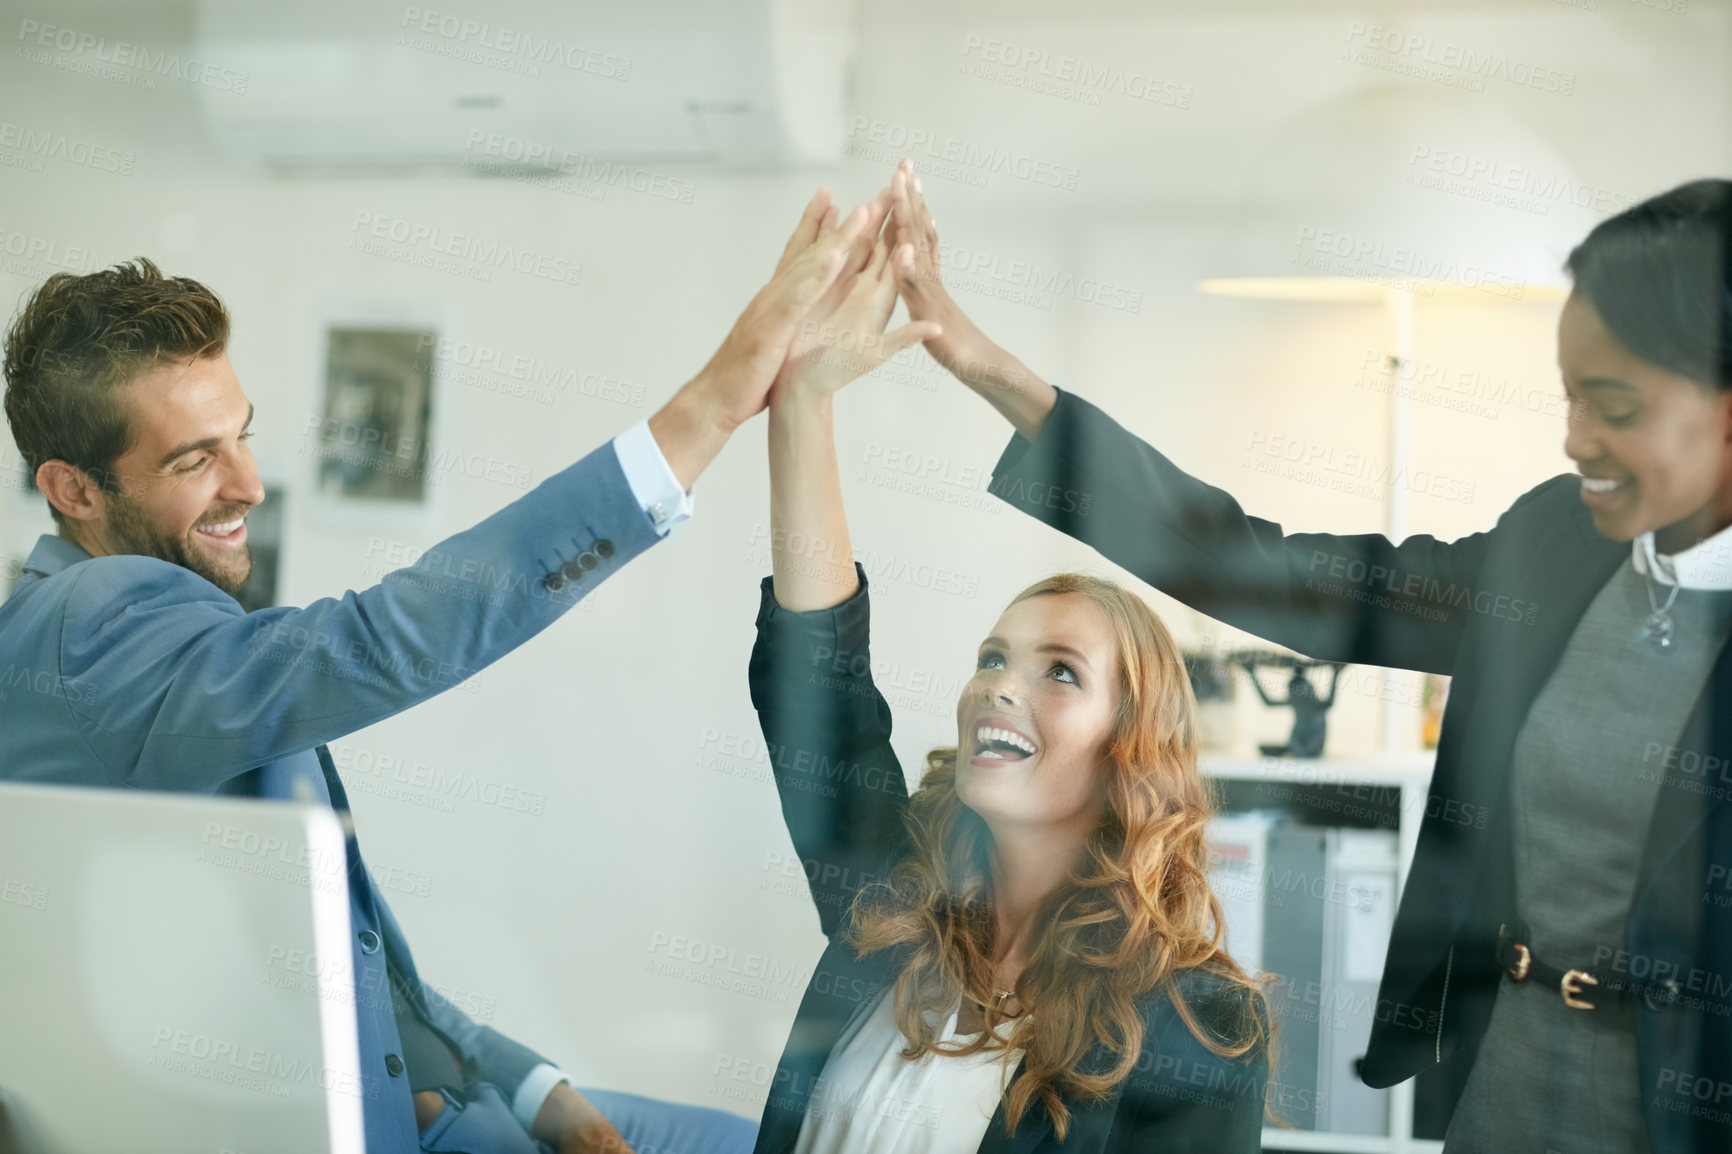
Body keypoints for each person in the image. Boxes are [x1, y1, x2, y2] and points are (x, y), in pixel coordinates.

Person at [0, 185, 931, 1154]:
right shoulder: (89, 627)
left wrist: (532, 1086)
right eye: (196, 458)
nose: (249, 484)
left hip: (448, 1090)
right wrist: (714, 401)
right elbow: (380, 639)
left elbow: (320, 946)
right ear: (71, 489)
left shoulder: (135, 646)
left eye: (244, 434)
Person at [889, 158, 1732, 1152]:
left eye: (1615, 408)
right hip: (1499, 1084)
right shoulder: (1556, 546)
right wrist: (983, 364)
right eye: (1569, 398)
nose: (1573, 438)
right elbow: (1269, 572)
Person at [744, 215, 1269, 1153]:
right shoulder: (896, 898)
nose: (999, 686)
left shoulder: (1205, 1031)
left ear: (1129, 748)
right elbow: (817, 674)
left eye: (1058, 672)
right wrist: (803, 401)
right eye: (993, 657)